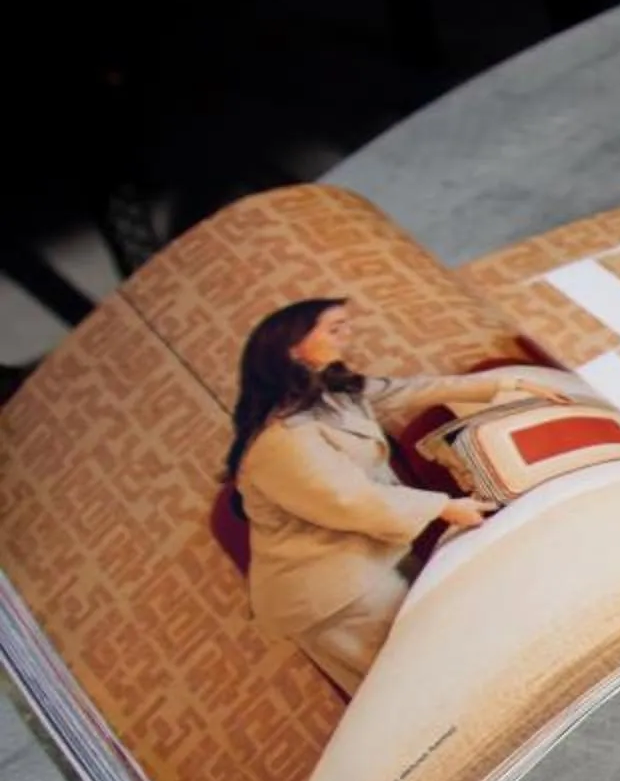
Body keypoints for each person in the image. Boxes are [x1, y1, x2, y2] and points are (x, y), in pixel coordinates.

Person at [223, 298, 561, 696]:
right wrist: (445, 507)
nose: (347, 335)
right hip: (333, 595)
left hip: (371, 560)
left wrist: (508, 384)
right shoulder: (279, 439)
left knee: (443, 659)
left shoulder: (335, 395)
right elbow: (347, 500)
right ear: (292, 350)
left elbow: (414, 390)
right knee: (410, 686)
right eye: (334, 329)